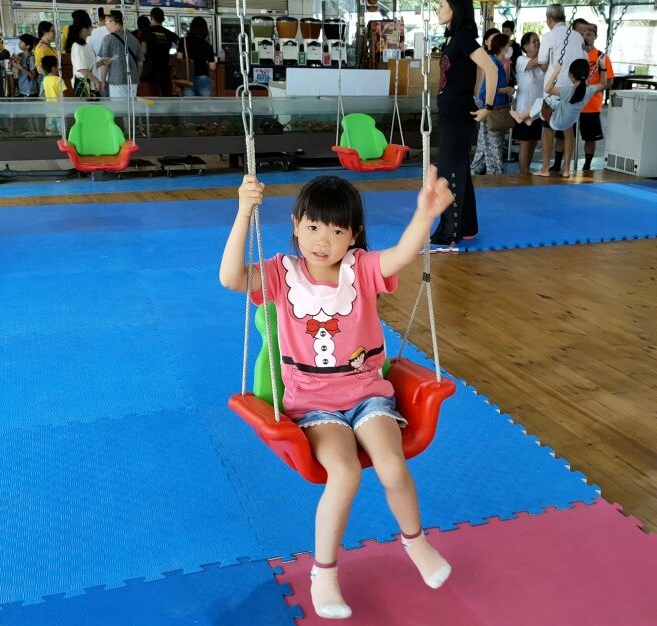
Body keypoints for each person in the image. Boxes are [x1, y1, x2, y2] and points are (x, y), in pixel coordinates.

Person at [220, 169, 455, 620]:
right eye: (312, 227)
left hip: (368, 394)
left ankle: (416, 542)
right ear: (294, 224)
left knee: (390, 463)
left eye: (336, 230)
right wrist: (244, 209)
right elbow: (230, 277)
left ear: (354, 236)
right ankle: (323, 572)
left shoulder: (360, 269)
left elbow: (403, 254)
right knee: (343, 474)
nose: (322, 241)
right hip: (312, 406)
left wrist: (424, 216)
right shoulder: (279, 273)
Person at [429, 0, 497, 249]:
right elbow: (477, 71)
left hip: (457, 115)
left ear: (456, 8)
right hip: (451, 114)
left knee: (450, 172)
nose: (438, 9)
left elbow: (490, 68)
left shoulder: (464, 37)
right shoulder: (454, 38)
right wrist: (473, 93)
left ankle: (450, 230)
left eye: (442, 4)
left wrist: (486, 106)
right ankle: (467, 226)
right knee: (459, 170)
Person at [537, 4, 586, 178]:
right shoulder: (578, 36)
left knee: (548, 128)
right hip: (572, 87)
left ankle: (544, 168)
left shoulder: (549, 36)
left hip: (553, 88)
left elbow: (543, 64)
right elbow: (583, 60)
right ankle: (566, 169)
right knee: (568, 129)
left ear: (549, 19)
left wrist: (553, 68)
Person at [510, 59, 605, 143]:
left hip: (556, 123)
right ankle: (531, 118)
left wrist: (556, 71)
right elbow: (603, 83)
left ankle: (521, 117)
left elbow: (547, 89)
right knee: (552, 101)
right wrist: (603, 67)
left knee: (540, 101)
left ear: (571, 75)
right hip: (568, 123)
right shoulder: (589, 90)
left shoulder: (568, 91)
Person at [470, 34, 514, 175]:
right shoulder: (493, 64)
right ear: (502, 48)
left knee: (485, 146)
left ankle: (475, 171)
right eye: (508, 45)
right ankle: (495, 175)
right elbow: (485, 91)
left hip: (495, 110)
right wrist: (505, 90)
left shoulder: (499, 65)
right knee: (493, 146)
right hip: (492, 111)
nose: (510, 48)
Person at [578, 24, 614, 171]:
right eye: (584, 34)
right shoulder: (576, 54)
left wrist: (594, 89)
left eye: (590, 35)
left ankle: (587, 163)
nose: (587, 37)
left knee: (590, 137)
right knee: (564, 135)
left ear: (595, 37)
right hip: (574, 102)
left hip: (591, 104)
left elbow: (609, 81)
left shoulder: (601, 57)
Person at [513, 32, 545, 175]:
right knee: (525, 143)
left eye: (538, 40)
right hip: (524, 110)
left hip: (537, 110)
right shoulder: (522, 59)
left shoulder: (542, 64)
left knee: (533, 142)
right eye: (534, 41)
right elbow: (533, 63)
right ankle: (523, 173)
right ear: (525, 46)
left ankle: (527, 171)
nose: (537, 43)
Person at [98, 11, 143, 99]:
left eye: (107, 22)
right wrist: (137, 78)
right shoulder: (134, 38)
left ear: (114, 22)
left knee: (120, 109)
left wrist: (103, 80)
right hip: (133, 81)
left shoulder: (108, 38)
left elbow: (105, 62)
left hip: (117, 80)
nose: (106, 26)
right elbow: (140, 62)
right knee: (131, 109)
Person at [175, 16, 216, 97]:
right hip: (203, 78)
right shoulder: (207, 45)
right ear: (204, 29)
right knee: (205, 107)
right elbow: (213, 67)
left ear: (192, 27)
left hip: (188, 79)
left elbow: (179, 57)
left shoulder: (183, 41)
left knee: (189, 107)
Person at [67, 14, 105, 98]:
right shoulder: (77, 46)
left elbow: (89, 66)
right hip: (84, 85)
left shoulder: (85, 45)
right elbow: (83, 70)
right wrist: (97, 81)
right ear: (83, 29)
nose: (92, 28)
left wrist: (101, 63)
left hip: (90, 84)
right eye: (90, 26)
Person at [149, 7, 179, 97]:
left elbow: (143, 50)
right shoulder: (168, 33)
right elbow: (181, 44)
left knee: (154, 97)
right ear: (163, 19)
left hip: (152, 70)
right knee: (167, 97)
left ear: (152, 18)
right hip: (166, 69)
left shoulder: (146, 32)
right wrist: (174, 55)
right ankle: (168, 111)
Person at [11, 33, 39, 97]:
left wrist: (20, 67)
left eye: (21, 42)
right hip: (21, 89)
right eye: (19, 42)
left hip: (30, 90)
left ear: (28, 46)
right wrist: (13, 63)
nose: (19, 44)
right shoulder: (19, 56)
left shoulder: (31, 57)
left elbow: (32, 75)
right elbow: (16, 72)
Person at [41, 55, 63, 136]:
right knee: (62, 131)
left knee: (51, 131)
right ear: (53, 68)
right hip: (60, 110)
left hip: (49, 110)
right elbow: (63, 95)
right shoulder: (59, 79)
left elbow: (43, 94)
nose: (58, 68)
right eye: (57, 65)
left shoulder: (45, 79)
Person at [34, 21, 57, 96]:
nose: (55, 33)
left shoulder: (47, 46)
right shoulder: (42, 48)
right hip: (47, 79)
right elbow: (40, 68)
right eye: (52, 31)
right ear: (45, 32)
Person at [501, 20, 522, 86]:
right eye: (503, 30)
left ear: (512, 32)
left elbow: (519, 63)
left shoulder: (516, 47)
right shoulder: (498, 45)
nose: (504, 33)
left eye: (507, 31)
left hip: (511, 77)